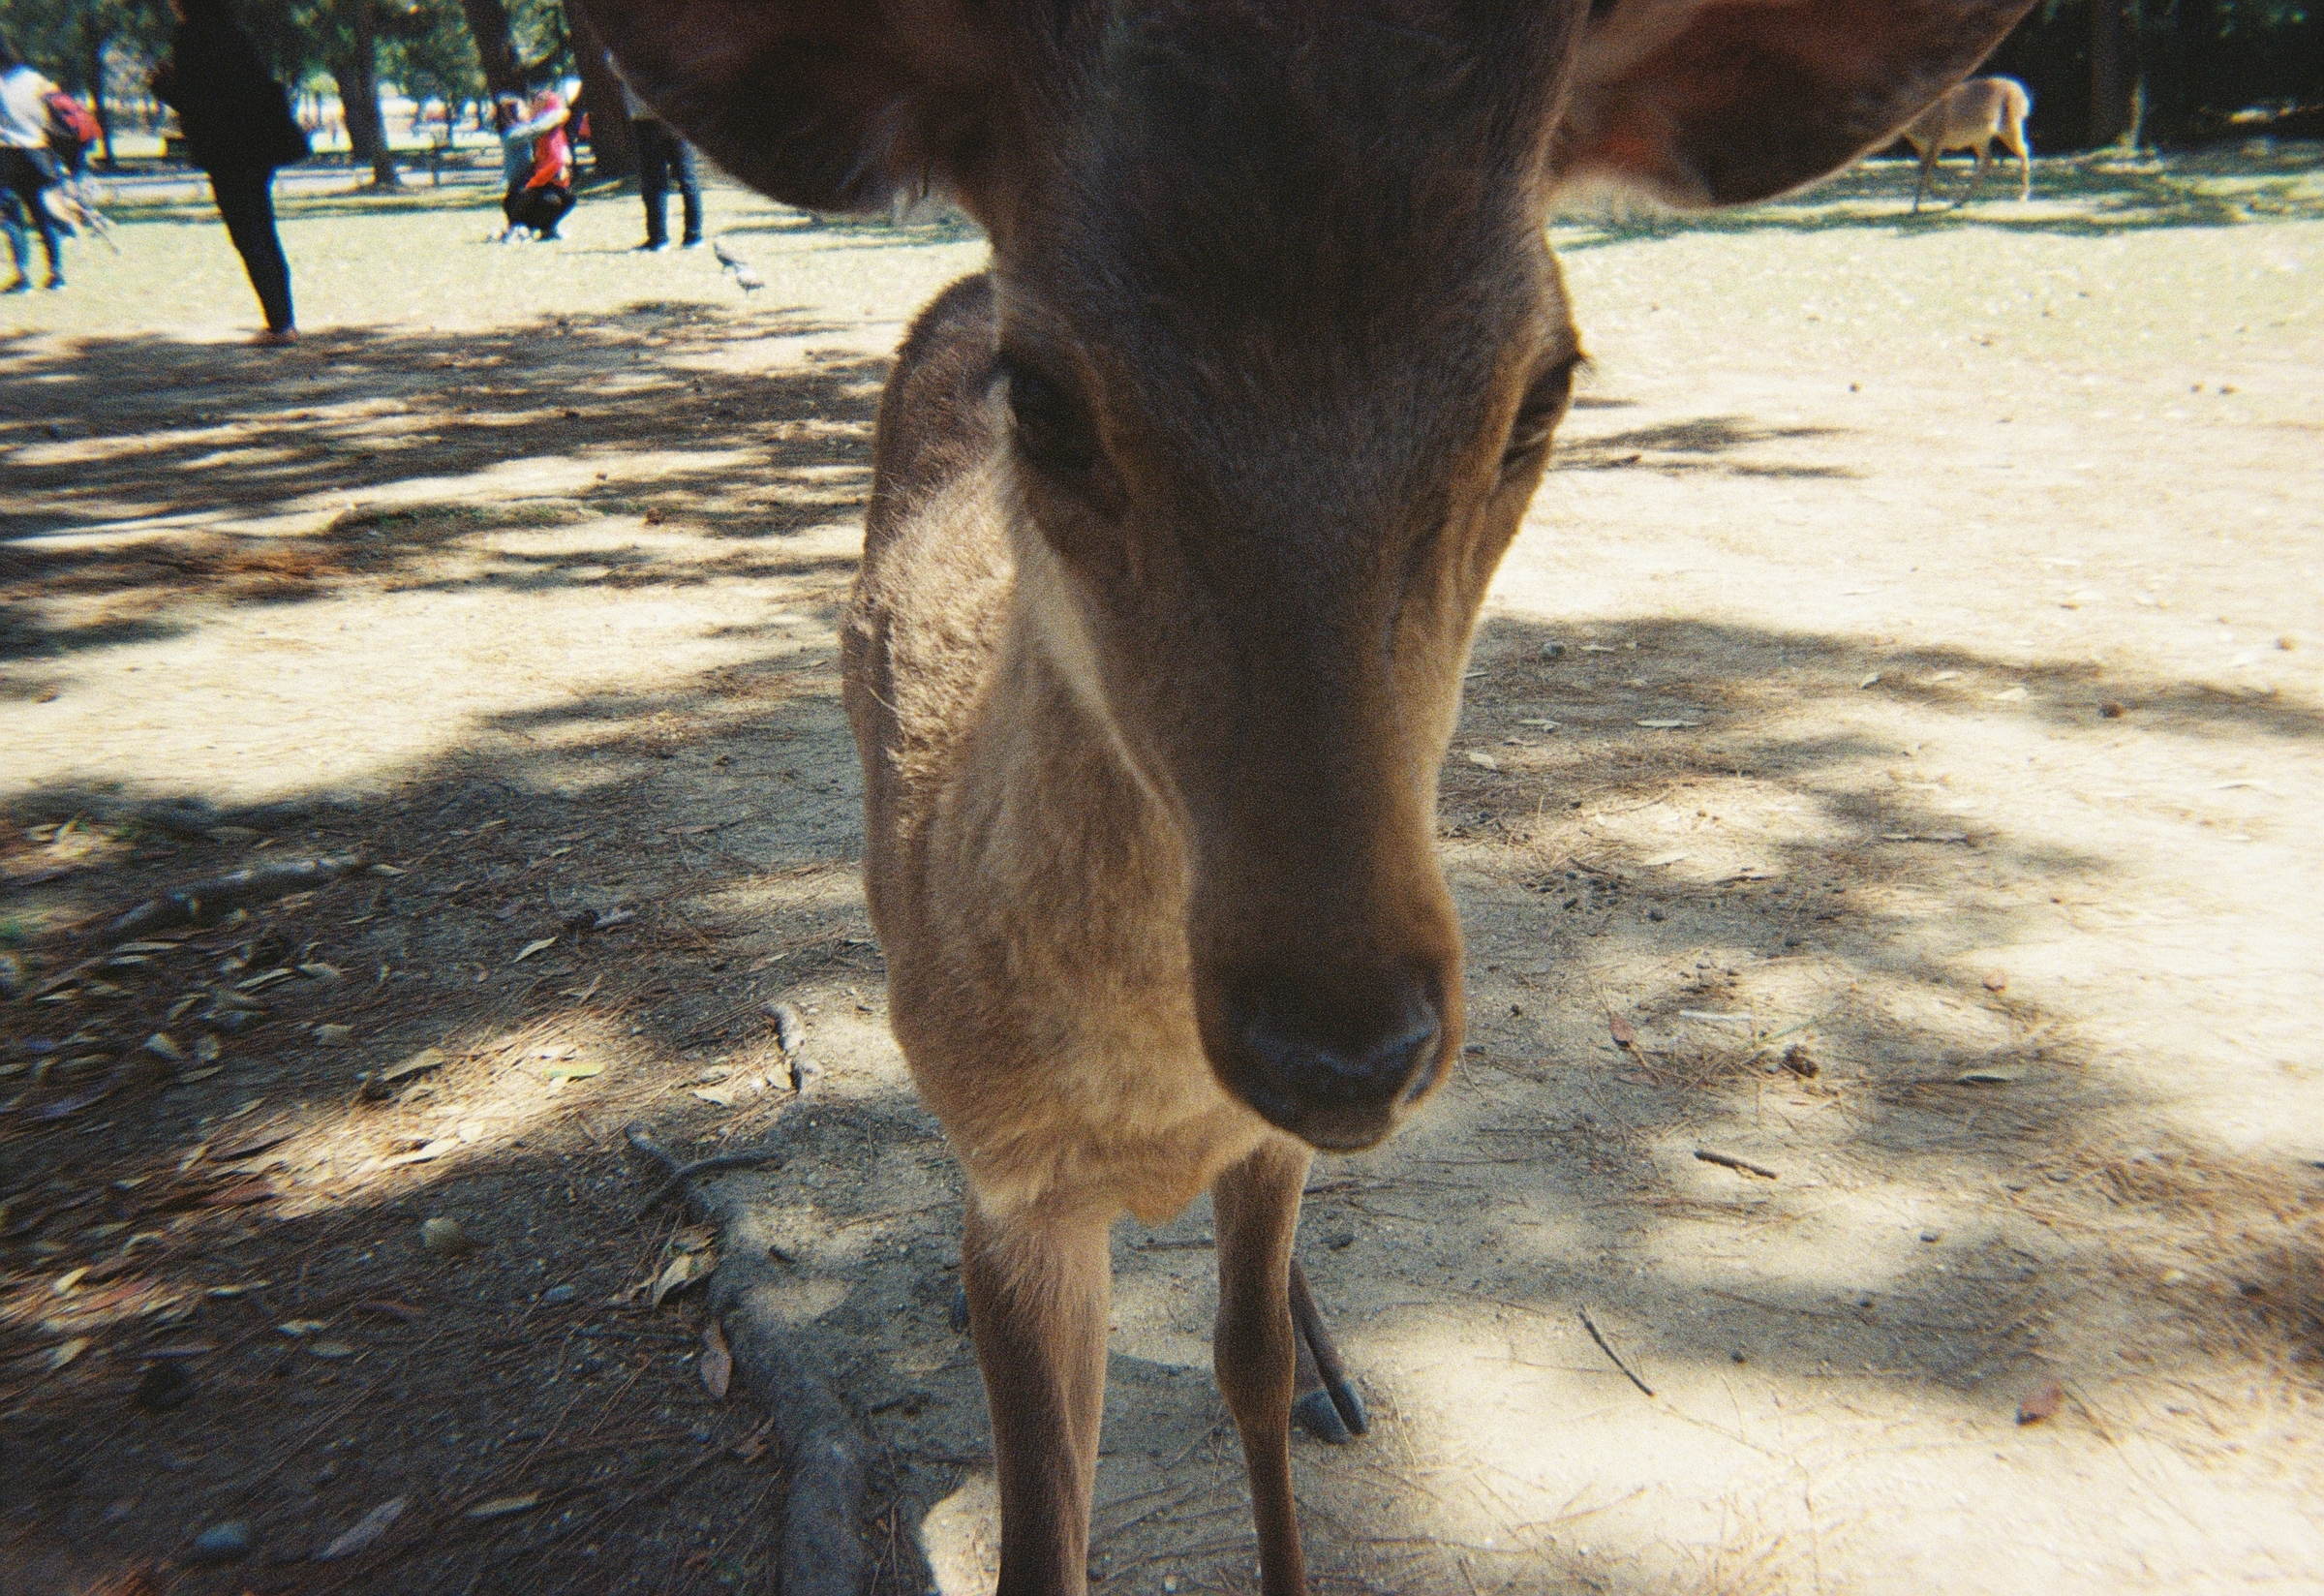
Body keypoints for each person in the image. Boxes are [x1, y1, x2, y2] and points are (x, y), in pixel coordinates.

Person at [152, 0, 309, 344]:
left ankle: (280, 325)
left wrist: (164, 89)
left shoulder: (190, 36)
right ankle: (284, 320)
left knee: (247, 235)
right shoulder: (235, 32)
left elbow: (201, 99)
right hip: (258, 146)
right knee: (264, 231)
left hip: (226, 150)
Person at [0, 34, 66, 292]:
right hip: (37, 152)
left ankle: (22, 275)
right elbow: (53, 114)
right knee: (42, 214)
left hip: (6, 155)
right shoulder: (34, 79)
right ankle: (56, 273)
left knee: (12, 217)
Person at [623, 80, 701, 251]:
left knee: (654, 181)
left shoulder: (628, 54)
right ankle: (693, 236)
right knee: (687, 178)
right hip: (675, 115)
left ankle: (658, 239)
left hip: (645, 119)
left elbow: (612, 64)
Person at [497, 76, 572, 243]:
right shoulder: (512, 134)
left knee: (564, 197)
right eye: (523, 107)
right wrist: (559, 112)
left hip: (532, 186)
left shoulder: (530, 131)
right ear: (512, 113)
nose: (528, 110)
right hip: (518, 195)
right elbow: (537, 128)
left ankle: (547, 228)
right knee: (544, 199)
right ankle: (518, 226)